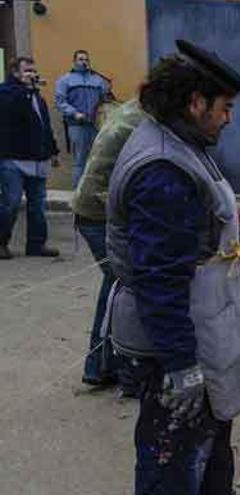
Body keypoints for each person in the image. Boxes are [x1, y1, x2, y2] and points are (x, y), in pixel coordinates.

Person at [106, 40, 240, 494]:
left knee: (210, 453)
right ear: (196, 101)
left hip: (199, 327)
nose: (229, 118)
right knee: (173, 464)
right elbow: (159, 283)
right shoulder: (162, 169)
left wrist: (228, 214)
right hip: (174, 343)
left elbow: (196, 208)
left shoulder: (182, 139)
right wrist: (182, 367)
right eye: (225, 107)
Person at [71, 98, 146, 391]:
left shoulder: (131, 109)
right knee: (122, 284)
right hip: (99, 211)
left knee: (116, 283)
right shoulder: (144, 124)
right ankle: (113, 369)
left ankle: (105, 366)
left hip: (92, 207)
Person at [0, 56, 60, 260]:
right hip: (13, 158)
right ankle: (1, 243)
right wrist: (27, 91)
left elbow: (44, 125)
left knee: (38, 205)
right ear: (15, 73)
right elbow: (12, 111)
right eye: (27, 71)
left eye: (33, 71)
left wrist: (53, 151)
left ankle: (36, 244)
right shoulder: (6, 92)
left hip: (37, 159)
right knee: (11, 203)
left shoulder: (37, 97)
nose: (32, 75)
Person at [55, 49, 110, 187]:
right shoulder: (65, 80)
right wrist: (74, 113)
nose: (84, 62)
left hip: (96, 125)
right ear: (74, 62)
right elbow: (60, 102)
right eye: (81, 59)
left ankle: (91, 193)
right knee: (80, 160)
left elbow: (105, 100)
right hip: (77, 125)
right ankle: (77, 192)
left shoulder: (97, 80)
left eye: (86, 59)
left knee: (97, 160)